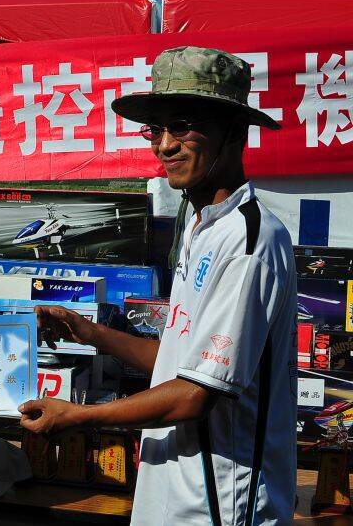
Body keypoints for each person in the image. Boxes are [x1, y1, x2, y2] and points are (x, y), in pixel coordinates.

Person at [18, 47, 297, 525]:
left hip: (220, 504)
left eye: (182, 127)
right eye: (155, 129)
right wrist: (89, 331)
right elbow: (178, 361)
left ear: (235, 131)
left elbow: (194, 395)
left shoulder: (250, 241)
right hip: (171, 492)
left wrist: (79, 416)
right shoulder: (200, 226)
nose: (164, 145)